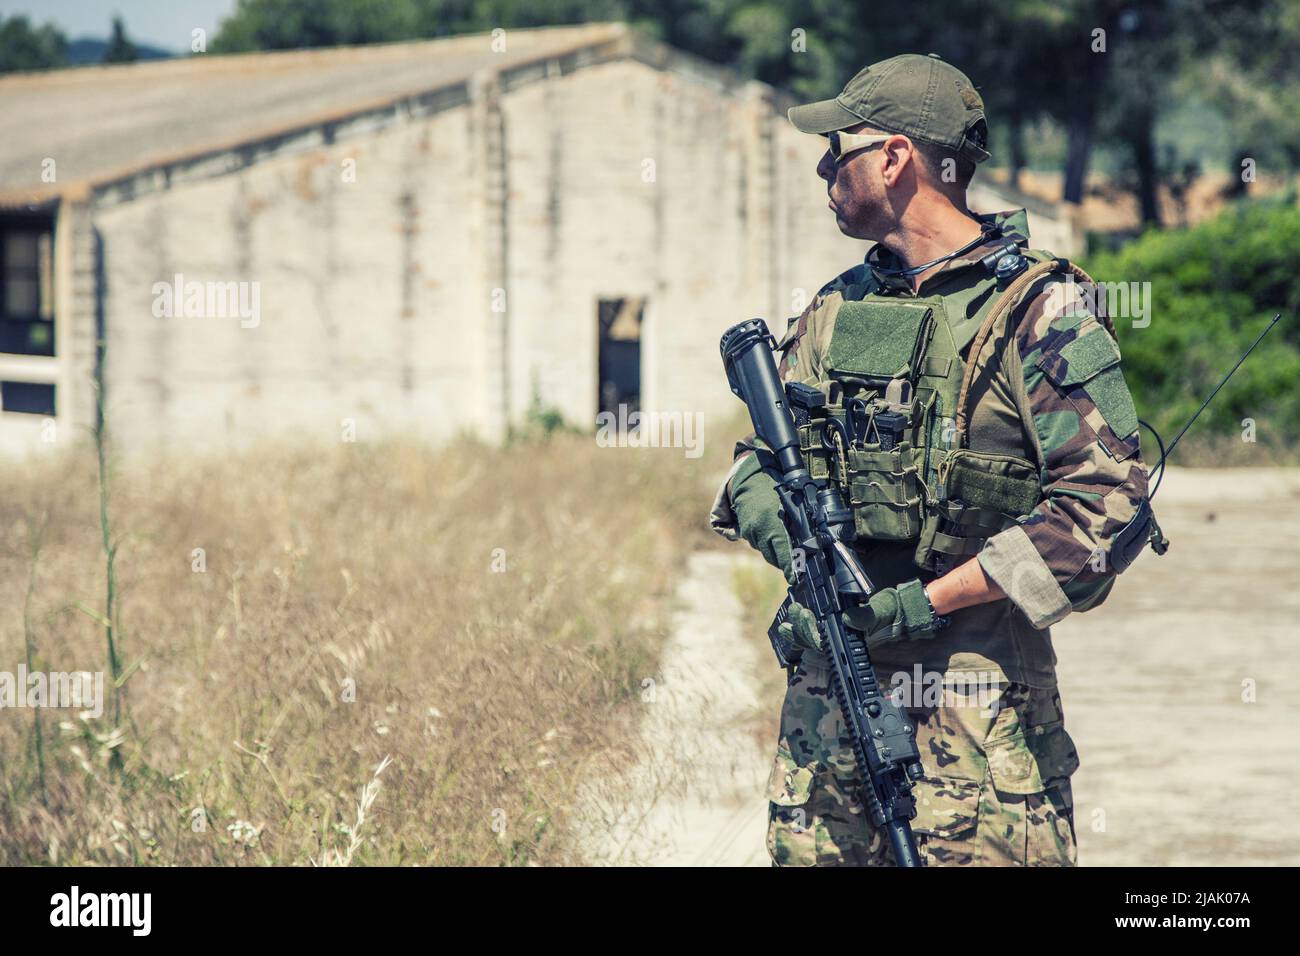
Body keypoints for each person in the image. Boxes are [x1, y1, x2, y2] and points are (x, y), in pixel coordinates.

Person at [709, 53, 1151, 866]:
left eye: (837, 150)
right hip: (828, 729)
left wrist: (925, 603)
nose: (822, 168)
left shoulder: (1042, 309)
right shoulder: (838, 306)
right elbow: (756, 469)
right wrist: (808, 567)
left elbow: (1102, 511)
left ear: (894, 157)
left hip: (978, 743)